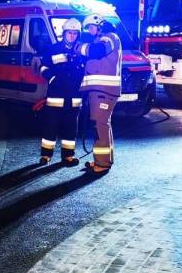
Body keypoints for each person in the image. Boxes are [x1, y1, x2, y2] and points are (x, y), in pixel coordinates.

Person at [38, 19, 86, 166]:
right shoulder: (53, 49)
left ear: (78, 35)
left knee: (71, 128)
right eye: (69, 33)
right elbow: (43, 68)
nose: (72, 36)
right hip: (56, 96)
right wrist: (52, 79)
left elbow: (86, 70)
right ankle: (46, 156)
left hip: (74, 97)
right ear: (64, 33)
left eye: (75, 33)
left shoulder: (81, 50)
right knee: (50, 127)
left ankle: (68, 156)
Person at [79, 14, 123, 174]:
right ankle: (104, 159)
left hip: (104, 91)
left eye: (91, 27)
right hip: (102, 91)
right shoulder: (104, 38)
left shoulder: (109, 37)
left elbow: (97, 51)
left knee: (100, 126)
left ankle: (102, 163)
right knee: (104, 124)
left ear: (100, 25)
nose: (90, 31)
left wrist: (79, 47)